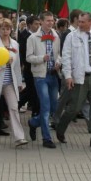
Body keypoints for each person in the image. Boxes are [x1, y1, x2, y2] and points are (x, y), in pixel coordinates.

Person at [54, 12, 91, 149]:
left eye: (83, 22)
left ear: (90, 22)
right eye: (79, 21)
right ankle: (60, 128)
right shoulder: (72, 37)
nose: (80, 24)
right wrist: (68, 76)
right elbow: (66, 57)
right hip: (79, 78)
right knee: (74, 108)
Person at [0, 18, 29, 147]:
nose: (5, 31)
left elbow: (17, 66)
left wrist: (19, 82)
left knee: (14, 107)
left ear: (11, 30)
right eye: (3, 28)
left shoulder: (15, 44)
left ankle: (19, 137)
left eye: (8, 29)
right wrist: (3, 63)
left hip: (10, 81)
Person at [26, 11, 61, 149]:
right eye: (48, 21)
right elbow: (28, 57)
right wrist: (41, 58)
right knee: (45, 107)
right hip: (40, 76)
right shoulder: (33, 38)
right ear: (41, 21)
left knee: (54, 107)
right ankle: (47, 138)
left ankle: (34, 122)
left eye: (52, 21)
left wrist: (59, 61)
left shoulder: (56, 36)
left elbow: (59, 54)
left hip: (53, 74)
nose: (50, 23)